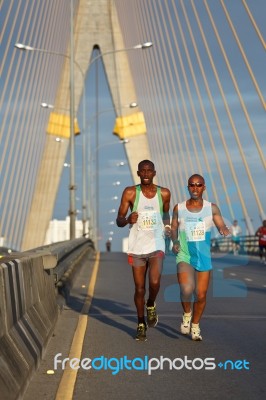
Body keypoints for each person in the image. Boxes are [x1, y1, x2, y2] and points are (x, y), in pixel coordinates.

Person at [116, 160, 171, 341]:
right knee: (139, 288)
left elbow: (165, 215)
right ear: (138, 173)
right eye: (143, 171)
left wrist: (169, 228)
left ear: (154, 173)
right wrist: (127, 220)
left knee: (154, 283)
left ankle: (150, 304)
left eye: (149, 171)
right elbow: (119, 219)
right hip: (137, 246)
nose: (146, 174)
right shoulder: (130, 192)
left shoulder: (164, 193)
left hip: (157, 245)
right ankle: (141, 323)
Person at [171, 174, 230, 341]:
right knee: (186, 289)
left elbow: (220, 224)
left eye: (198, 185)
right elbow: (174, 227)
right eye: (192, 185)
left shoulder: (211, 208)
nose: (195, 188)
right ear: (187, 187)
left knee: (201, 295)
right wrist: (175, 241)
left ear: (204, 187)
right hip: (185, 254)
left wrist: (223, 229)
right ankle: (187, 314)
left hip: (203, 257)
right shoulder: (179, 208)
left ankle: (195, 326)